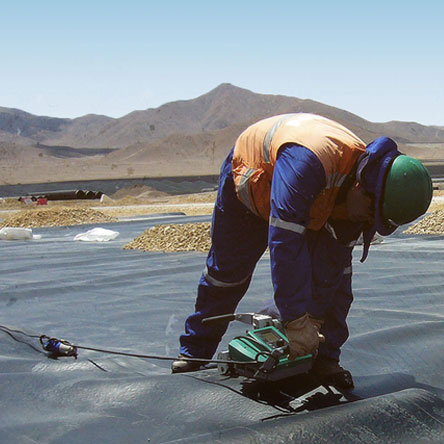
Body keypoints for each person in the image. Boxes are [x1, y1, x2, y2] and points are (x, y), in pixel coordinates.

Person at [171, 113, 433, 388]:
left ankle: (322, 358)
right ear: (361, 188)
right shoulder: (306, 164)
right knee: (227, 275)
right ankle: (195, 353)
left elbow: (336, 277)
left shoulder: (364, 191)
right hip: (252, 178)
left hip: (316, 195)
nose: (368, 222)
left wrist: (320, 339)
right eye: (371, 213)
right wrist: (296, 322)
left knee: (331, 275)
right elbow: (285, 246)